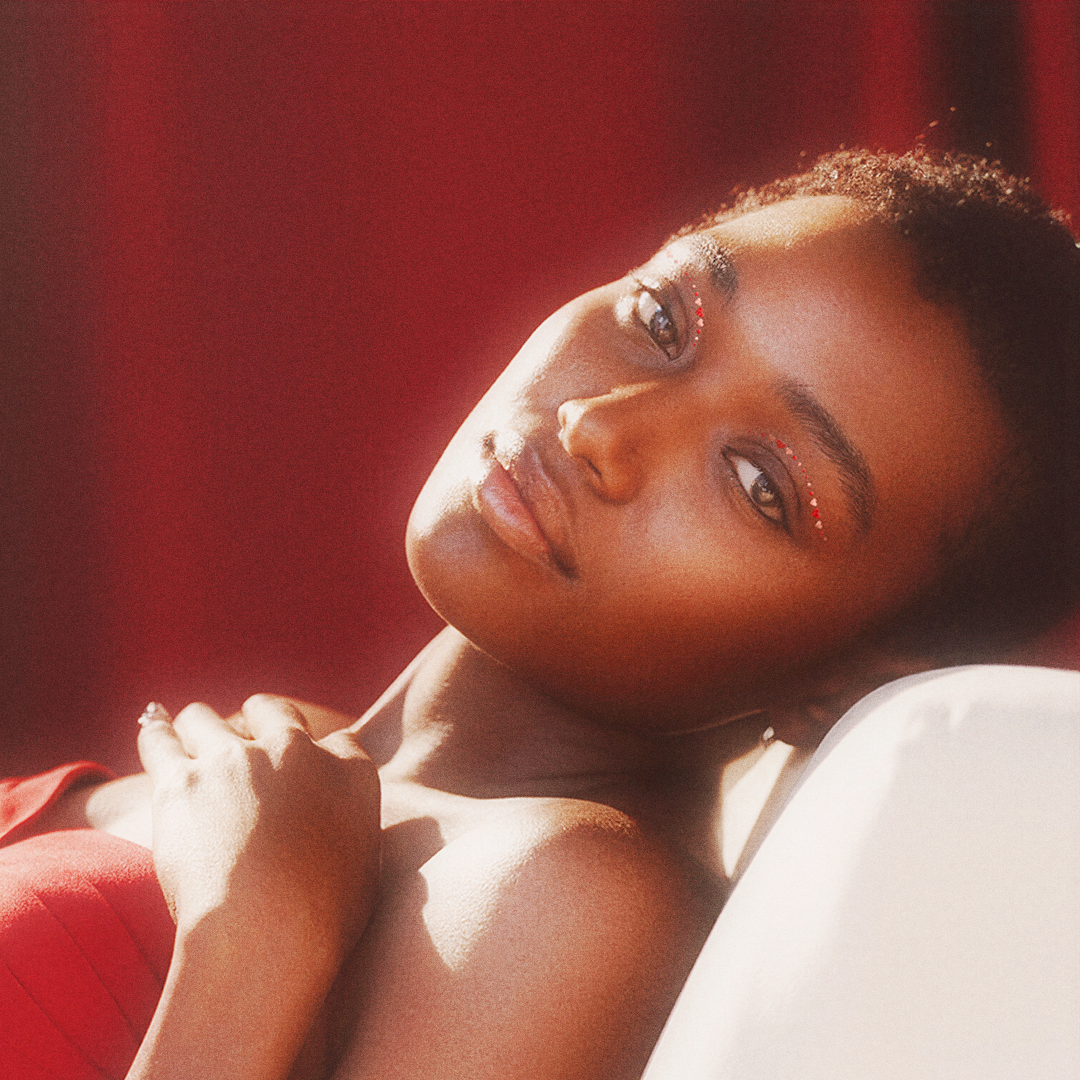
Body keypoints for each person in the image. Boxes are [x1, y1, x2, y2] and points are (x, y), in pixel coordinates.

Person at [3, 148, 1077, 1080]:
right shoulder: (286, 773)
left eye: (758, 484)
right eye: (664, 319)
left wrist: (251, 949)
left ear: (849, 676)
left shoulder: (567, 903)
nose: (602, 426)